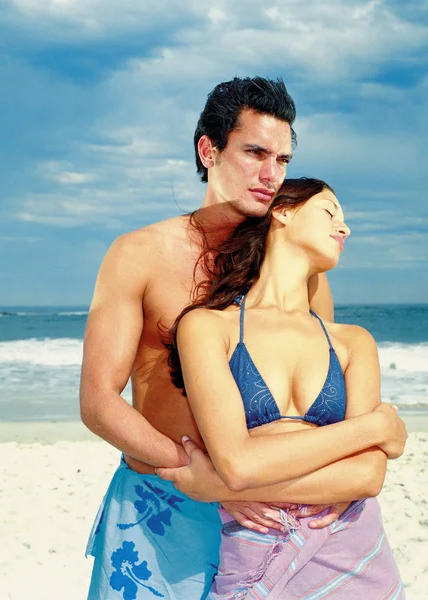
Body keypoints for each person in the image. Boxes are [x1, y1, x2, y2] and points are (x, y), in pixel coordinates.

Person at [81, 77, 346, 600]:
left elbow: (325, 398)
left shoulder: (301, 272)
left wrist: (327, 485)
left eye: (283, 160)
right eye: (255, 152)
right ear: (209, 149)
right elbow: (98, 401)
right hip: (162, 502)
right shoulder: (139, 253)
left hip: (266, 515)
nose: (271, 175)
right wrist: (201, 477)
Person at [160, 177, 407, 599]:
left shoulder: (352, 342)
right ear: (283, 211)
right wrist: (374, 428)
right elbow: (236, 462)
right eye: (330, 212)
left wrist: (217, 487)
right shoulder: (206, 327)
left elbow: (367, 476)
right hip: (255, 552)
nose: (344, 229)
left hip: (353, 554)